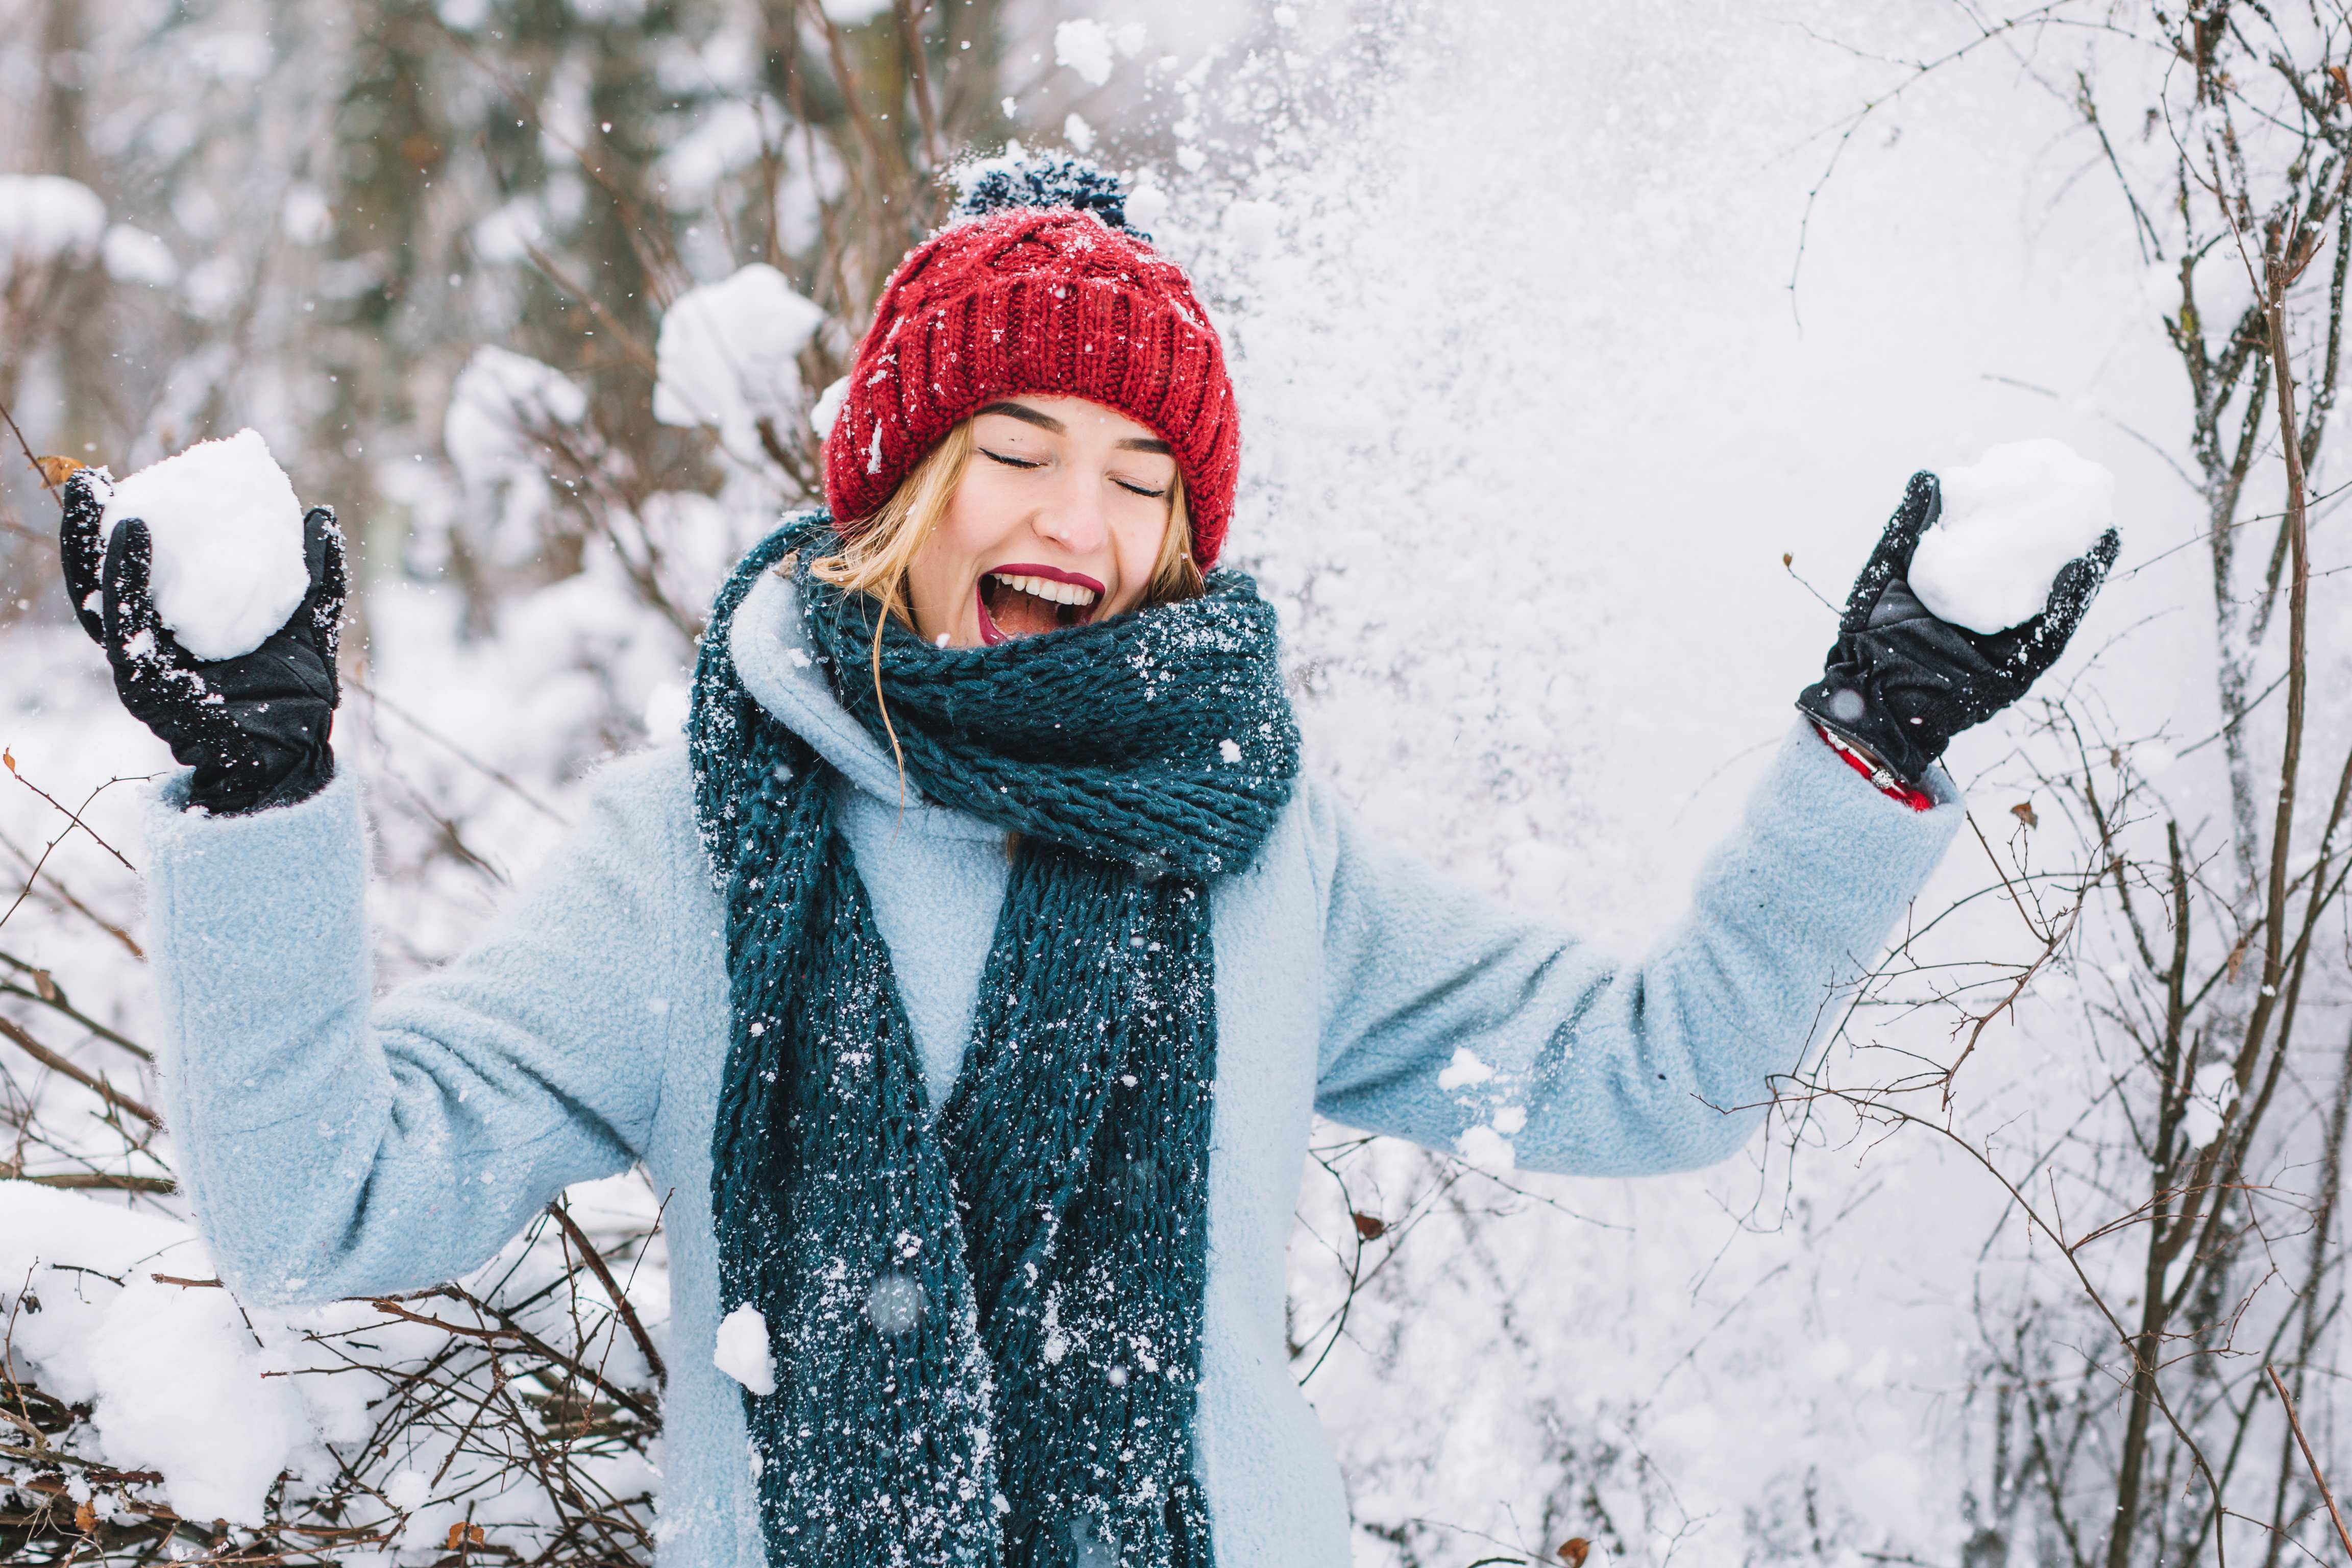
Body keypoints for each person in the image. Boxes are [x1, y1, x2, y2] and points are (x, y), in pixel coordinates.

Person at [61, 161, 2115, 1568]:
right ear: (899, 482)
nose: (1082, 517)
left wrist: (1873, 742)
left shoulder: (1255, 843)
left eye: (1144, 476)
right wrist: (260, 795)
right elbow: (322, 1205)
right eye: (1020, 450)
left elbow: (1644, 1074)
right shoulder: (690, 854)